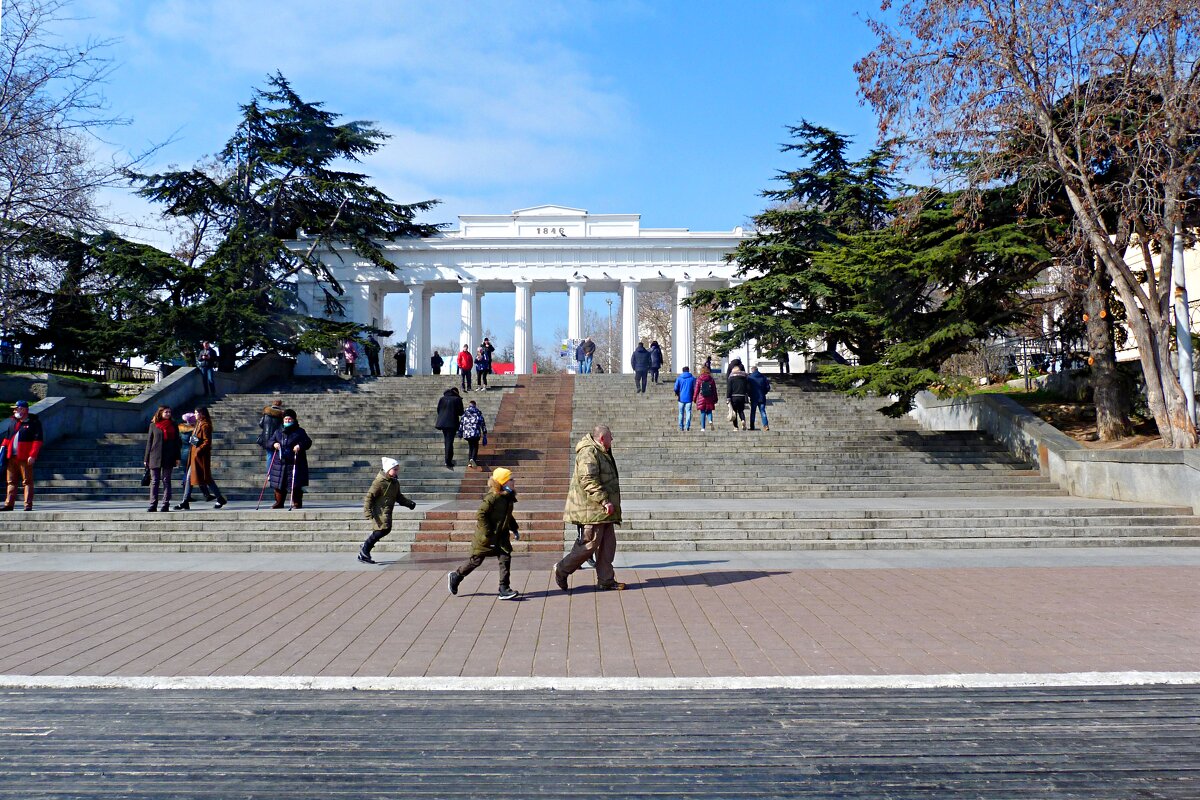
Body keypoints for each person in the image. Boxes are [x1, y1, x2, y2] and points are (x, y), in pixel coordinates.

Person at [552, 424, 625, 592]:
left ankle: (606, 580)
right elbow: (588, 480)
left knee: (608, 546)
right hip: (592, 509)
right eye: (610, 437)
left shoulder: (601, 451)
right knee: (588, 545)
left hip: (604, 511)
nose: (612, 440)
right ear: (602, 439)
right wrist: (604, 501)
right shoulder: (588, 452)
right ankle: (561, 570)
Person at [448, 467, 520, 600]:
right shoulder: (492, 498)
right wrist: (487, 531)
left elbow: (508, 515)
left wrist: (514, 528)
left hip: (501, 535)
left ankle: (504, 588)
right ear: (503, 482)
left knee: (505, 557)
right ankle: (456, 575)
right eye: (510, 479)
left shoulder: (508, 497)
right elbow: (481, 514)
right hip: (486, 536)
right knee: (476, 561)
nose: (513, 481)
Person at [358, 456, 417, 564]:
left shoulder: (395, 483)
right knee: (383, 529)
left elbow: (399, 497)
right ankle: (365, 549)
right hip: (379, 511)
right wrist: (367, 512)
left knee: (384, 529)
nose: (396, 472)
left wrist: (409, 504)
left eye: (397, 469)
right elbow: (369, 497)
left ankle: (365, 549)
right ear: (388, 469)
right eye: (394, 469)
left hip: (387, 510)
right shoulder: (379, 482)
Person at [176, 407, 227, 510]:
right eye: (194, 412)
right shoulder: (198, 424)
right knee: (191, 478)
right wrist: (193, 441)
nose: (195, 414)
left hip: (200, 456)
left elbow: (207, 441)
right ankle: (185, 501)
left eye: (197, 413)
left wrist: (198, 450)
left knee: (206, 479)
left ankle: (219, 498)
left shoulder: (205, 425)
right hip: (194, 455)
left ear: (202, 414)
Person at [1, 399, 43, 511]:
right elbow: (7, 438)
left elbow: (37, 440)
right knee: (10, 481)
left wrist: (32, 455)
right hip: (11, 456)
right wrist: (2, 450)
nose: (14, 410)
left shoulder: (34, 423)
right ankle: (8, 504)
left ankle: (27, 505)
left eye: (17, 408)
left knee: (27, 481)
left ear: (24, 409)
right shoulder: (13, 422)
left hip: (25, 457)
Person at [268, 409, 312, 509]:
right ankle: (279, 502)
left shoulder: (300, 431)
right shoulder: (278, 431)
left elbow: (308, 442)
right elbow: (269, 442)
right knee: (279, 484)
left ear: (293, 420)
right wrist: (274, 444)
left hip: (295, 461)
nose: (287, 421)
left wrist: (299, 446)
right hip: (280, 462)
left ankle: (296, 502)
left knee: (295, 483)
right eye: (286, 419)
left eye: (289, 419)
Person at [143, 405, 181, 513]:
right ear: (160, 413)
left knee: (166, 480)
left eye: (169, 412)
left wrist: (177, 457)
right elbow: (149, 442)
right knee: (154, 481)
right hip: (154, 456)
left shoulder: (173, 425)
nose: (168, 414)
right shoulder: (153, 425)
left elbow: (177, 443)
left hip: (169, 456)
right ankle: (153, 504)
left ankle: (165, 504)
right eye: (166, 412)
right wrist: (146, 458)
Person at [435, 387, 464, 469]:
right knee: (449, 442)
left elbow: (438, 410)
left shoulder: (442, 399)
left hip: (443, 423)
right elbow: (461, 412)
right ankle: (448, 461)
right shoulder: (457, 399)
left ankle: (447, 459)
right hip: (452, 423)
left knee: (447, 441)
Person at [458, 399, 487, 470]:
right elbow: (482, 423)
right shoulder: (478, 413)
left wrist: (460, 432)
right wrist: (484, 433)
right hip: (475, 433)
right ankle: (473, 459)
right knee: (475, 446)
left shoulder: (465, 413)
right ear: (475, 405)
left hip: (467, 433)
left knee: (470, 446)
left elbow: (461, 423)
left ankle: (470, 461)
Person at [258, 399, 285, 470]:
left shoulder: (266, 413)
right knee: (277, 454)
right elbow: (282, 427)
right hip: (276, 437)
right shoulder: (281, 414)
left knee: (269, 455)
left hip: (266, 437)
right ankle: (276, 470)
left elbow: (260, 424)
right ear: (280, 405)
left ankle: (269, 473)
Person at [693, 365, 719, 431]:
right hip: (710, 397)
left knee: (703, 412)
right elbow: (714, 390)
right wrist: (715, 398)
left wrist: (694, 398)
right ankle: (710, 420)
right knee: (709, 411)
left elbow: (696, 389)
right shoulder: (711, 379)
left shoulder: (699, 379)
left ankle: (703, 428)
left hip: (702, 397)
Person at [748, 366, 772, 431]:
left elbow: (748, 388)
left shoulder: (750, 378)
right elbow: (768, 387)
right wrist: (764, 393)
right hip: (762, 397)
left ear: (752, 370)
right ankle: (766, 426)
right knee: (763, 411)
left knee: (753, 412)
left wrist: (749, 394)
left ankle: (752, 426)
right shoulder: (763, 377)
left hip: (753, 397)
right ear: (757, 370)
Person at [727, 364, 750, 430]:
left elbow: (729, 389)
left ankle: (736, 427)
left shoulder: (731, 378)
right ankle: (743, 420)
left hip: (733, 397)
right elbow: (747, 387)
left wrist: (728, 398)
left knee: (734, 412)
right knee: (741, 411)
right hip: (742, 397)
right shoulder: (744, 378)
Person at [673, 367, 696, 431]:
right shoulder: (692, 379)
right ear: (688, 371)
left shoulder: (679, 378)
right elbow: (695, 387)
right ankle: (687, 426)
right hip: (689, 397)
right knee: (688, 412)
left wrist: (677, 393)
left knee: (681, 412)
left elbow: (675, 388)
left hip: (681, 398)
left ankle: (681, 426)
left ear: (682, 371)